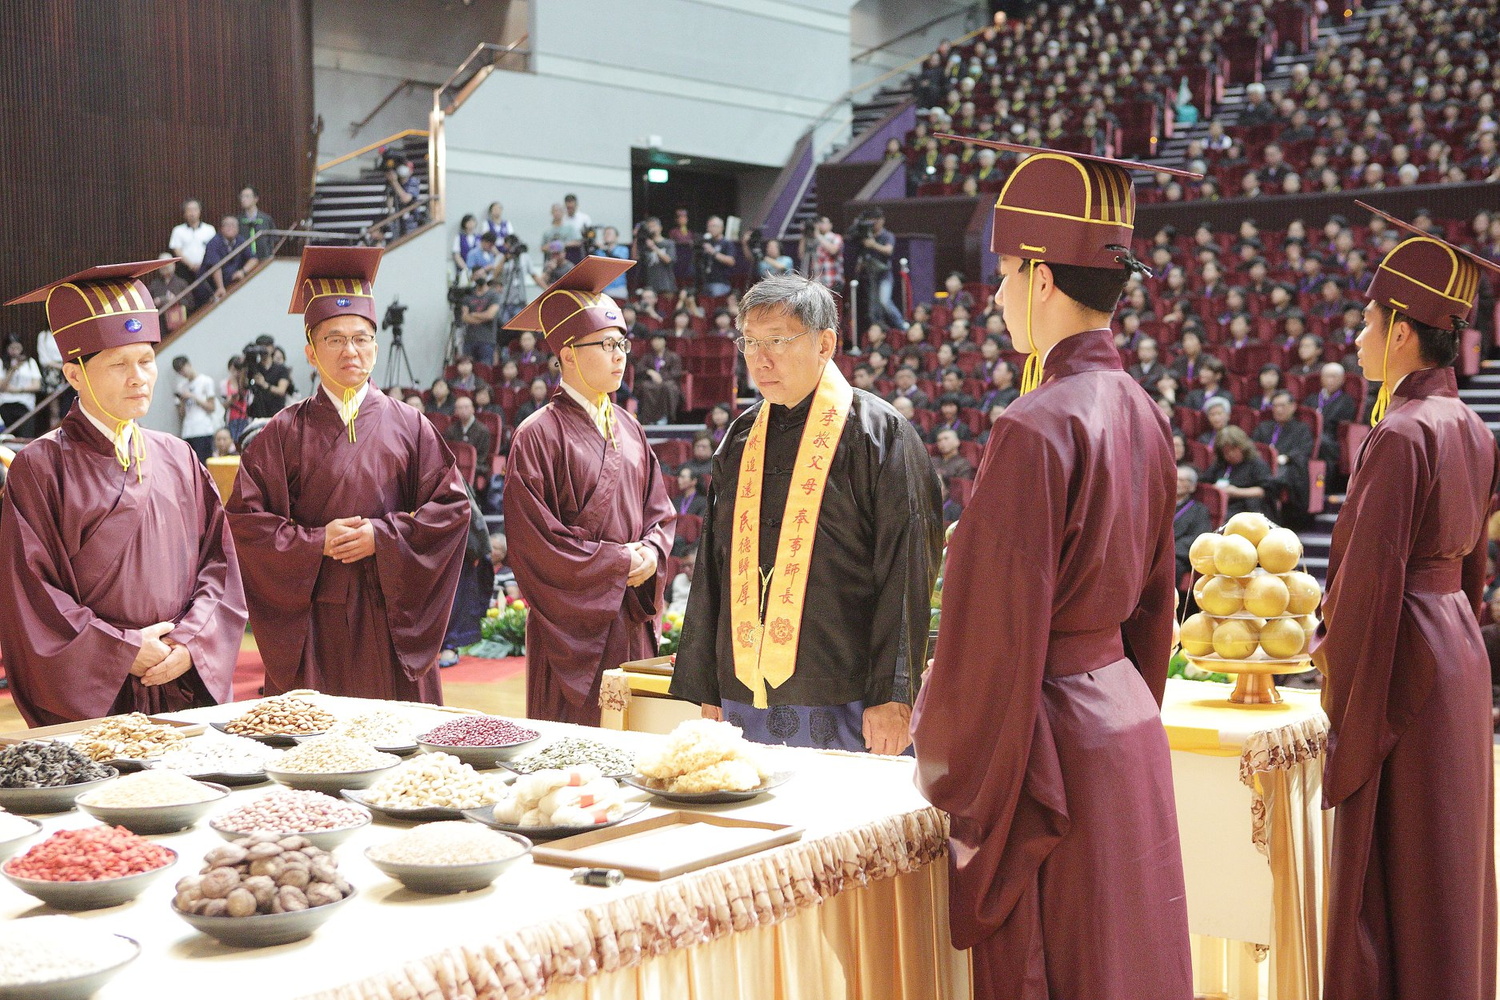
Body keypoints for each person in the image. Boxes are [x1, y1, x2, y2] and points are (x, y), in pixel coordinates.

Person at [912, 137, 1196, 1000]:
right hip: (1125, 722)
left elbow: (993, 633)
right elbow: (1157, 609)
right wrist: (1127, 697)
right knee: (1129, 960)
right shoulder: (1143, 410)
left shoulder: (1034, 425)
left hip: (1057, 743)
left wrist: (943, 742)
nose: (995, 297)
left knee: (1069, 965)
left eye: (1001, 275)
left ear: (1040, 278)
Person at [1315, 205, 1500, 1000]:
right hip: (1458, 648)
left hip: (1408, 661)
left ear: (1398, 332)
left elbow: (1365, 587)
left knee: (1399, 871)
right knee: (1447, 862)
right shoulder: (1472, 425)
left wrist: (1332, 674)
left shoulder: (1399, 434)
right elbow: (1476, 569)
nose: (1356, 338)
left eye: (1365, 321)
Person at [671, 273, 942, 752]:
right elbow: (714, 563)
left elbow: (907, 569)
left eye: (777, 340)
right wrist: (706, 683)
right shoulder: (740, 438)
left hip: (845, 689)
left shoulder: (881, 434)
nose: (760, 358)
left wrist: (894, 693)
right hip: (743, 689)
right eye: (750, 342)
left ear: (825, 344)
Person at [0, 258, 246, 726]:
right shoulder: (40, 467)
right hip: (96, 693)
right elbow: (31, 596)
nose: (139, 377)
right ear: (75, 375)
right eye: (119, 364)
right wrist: (122, 650)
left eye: (146, 360)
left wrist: (191, 641)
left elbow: (220, 565)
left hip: (179, 680)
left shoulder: (178, 456)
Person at [227, 246, 470, 704]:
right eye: (334, 339)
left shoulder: (411, 424)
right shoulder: (281, 432)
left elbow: (452, 510)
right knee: (318, 751)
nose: (350, 351)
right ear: (311, 351)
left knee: (399, 747)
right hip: (315, 615)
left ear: (376, 348)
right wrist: (317, 542)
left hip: (391, 608)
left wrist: (383, 536)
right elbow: (246, 526)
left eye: (361, 339)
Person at [502, 256, 675, 724]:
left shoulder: (629, 426)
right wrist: (619, 562)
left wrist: (651, 553)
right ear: (568, 354)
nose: (620, 355)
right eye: (605, 344)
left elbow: (661, 512)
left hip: (627, 613)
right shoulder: (537, 434)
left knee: (635, 746)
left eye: (622, 343)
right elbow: (535, 543)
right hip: (570, 630)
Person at [1252, 391, 1313, 519]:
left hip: (1287, 466)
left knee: (1282, 475)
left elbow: (1303, 450)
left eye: (1283, 406)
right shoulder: (1264, 427)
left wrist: (1286, 458)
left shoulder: (1301, 429)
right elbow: (1253, 447)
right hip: (1262, 466)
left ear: (1293, 406)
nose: (1278, 410)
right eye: (1275, 406)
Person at [1206, 425, 1274, 519]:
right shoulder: (1220, 464)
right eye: (1226, 452)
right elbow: (1205, 481)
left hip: (1246, 506)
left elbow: (1264, 491)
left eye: (1233, 450)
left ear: (1243, 447)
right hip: (1222, 504)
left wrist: (1237, 492)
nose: (1230, 454)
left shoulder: (1256, 464)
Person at [857, 208, 906, 331]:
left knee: (885, 301)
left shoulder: (887, 235)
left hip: (884, 274)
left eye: (875, 221)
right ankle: (879, 333)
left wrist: (873, 244)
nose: (873, 224)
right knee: (873, 308)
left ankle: (902, 326)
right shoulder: (865, 235)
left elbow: (889, 250)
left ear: (881, 221)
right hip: (870, 275)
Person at [170, 355, 224, 463]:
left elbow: (211, 407)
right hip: (188, 431)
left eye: (183, 369)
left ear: (189, 365)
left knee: (204, 464)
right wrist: (182, 402)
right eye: (179, 372)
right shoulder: (181, 386)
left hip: (203, 429)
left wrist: (193, 397)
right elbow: (181, 415)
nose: (183, 373)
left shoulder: (205, 381)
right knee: (190, 465)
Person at [1305, 361, 1358, 465]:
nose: (1330, 380)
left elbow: (1342, 424)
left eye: (1334, 377)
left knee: (1322, 443)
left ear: (1342, 380)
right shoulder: (1312, 398)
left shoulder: (1346, 401)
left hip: (1330, 437)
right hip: (1309, 434)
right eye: (1327, 376)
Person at [444, 394, 493, 494]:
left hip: (477, 465)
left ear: (473, 409)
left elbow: (483, 455)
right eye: (460, 408)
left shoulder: (482, 430)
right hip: (455, 466)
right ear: (456, 411)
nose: (463, 410)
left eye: (466, 407)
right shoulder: (451, 430)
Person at [1173, 464, 1214, 577]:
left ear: (1192, 486)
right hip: (1156, 552)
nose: (1176, 483)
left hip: (1179, 556)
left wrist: (1170, 549)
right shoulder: (1160, 505)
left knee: (1173, 565)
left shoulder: (1199, 510)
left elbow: (1198, 537)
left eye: (1181, 480)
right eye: (1175, 478)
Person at [634, 331, 683, 425]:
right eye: (654, 340)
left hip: (667, 382)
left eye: (659, 340)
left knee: (668, 387)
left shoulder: (673, 356)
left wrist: (661, 377)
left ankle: (666, 417)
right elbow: (639, 368)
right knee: (645, 386)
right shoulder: (647, 356)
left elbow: (676, 372)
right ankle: (648, 419)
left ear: (665, 341)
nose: (656, 342)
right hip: (650, 382)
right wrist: (650, 372)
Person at [168, 198, 215, 287]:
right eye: (189, 210)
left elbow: (213, 249)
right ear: (185, 213)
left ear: (199, 212)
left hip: (206, 268)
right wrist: (191, 265)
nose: (192, 213)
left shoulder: (210, 229)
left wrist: (202, 265)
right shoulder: (178, 230)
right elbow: (177, 250)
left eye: (195, 209)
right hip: (185, 269)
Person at [0, 337, 42, 437]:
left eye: (17, 348)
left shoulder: (30, 362)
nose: (15, 351)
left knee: (26, 435)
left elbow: (37, 386)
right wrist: (12, 370)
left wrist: (17, 390)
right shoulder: (2, 362)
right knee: (7, 437)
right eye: (12, 348)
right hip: (5, 404)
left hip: (25, 405)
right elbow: (2, 386)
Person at [459, 273, 501, 365]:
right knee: (467, 367)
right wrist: (483, 317)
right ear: (472, 277)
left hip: (487, 340)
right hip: (469, 340)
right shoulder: (468, 296)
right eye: (477, 275)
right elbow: (464, 317)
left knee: (484, 369)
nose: (480, 277)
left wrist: (473, 314)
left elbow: (490, 315)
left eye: (482, 274)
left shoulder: (493, 295)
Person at [633, 216, 677, 295]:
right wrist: (637, 237)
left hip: (666, 285)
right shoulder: (645, 244)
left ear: (660, 228)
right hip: (650, 285)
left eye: (653, 226)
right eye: (649, 227)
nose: (651, 229)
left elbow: (669, 260)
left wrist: (653, 247)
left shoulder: (669, 243)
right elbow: (635, 257)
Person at [803, 216, 844, 293]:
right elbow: (801, 255)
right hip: (817, 283)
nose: (819, 225)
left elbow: (833, 250)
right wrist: (804, 234)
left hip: (832, 281)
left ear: (830, 225)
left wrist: (817, 235)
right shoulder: (813, 240)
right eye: (818, 223)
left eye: (823, 222)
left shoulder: (836, 237)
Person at [698, 216, 737, 297]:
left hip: (720, 282)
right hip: (706, 281)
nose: (710, 229)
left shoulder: (727, 243)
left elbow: (731, 261)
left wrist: (713, 252)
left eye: (713, 226)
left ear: (721, 228)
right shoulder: (707, 242)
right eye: (709, 226)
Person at [237, 186, 277, 261]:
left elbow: (273, 239)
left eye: (247, 196)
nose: (243, 199)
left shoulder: (266, 219)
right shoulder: (238, 220)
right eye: (241, 197)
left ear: (256, 199)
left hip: (264, 258)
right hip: (244, 260)